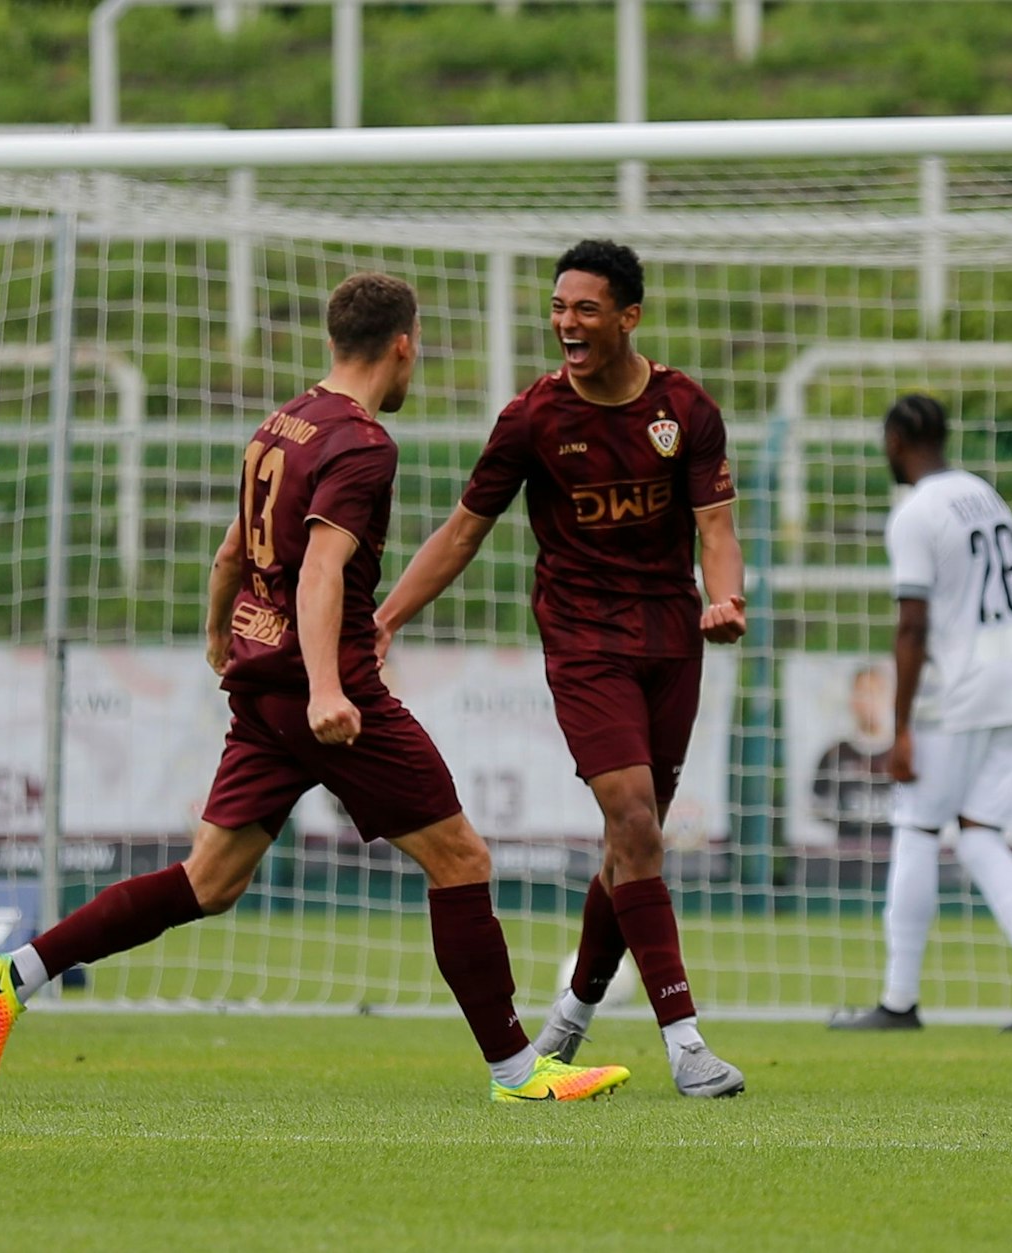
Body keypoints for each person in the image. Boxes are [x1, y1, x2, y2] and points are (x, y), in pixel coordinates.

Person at [0, 273, 630, 1104]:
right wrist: (326, 689)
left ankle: (13, 974)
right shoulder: (362, 443)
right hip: (326, 691)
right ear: (402, 345)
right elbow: (319, 570)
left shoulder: (280, 425)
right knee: (461, 858)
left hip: (259, 678)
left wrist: (218, 635)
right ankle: (518, 1070)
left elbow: (233, 550)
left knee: (209, 880)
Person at [375, 240, 747, 1098]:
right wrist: (385, 619)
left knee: (631, 842)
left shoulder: (684, 408)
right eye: (558, 308)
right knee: (634, 817)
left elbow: (717, 531)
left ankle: (570, 1020)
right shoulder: (533, 418)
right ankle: (687, 1043)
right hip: (584, 643)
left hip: (671, 643)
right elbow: (463, 532)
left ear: (628, 317)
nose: (566, 325)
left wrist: (725, 600)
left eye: (585, 309)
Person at [834, 394, 1012, 1033]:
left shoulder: (915, 513)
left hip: (960, 690)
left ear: (895, 440)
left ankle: (898, 1001)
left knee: (917, 827)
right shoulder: (984, 493)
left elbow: (912, 625)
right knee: (977, 835)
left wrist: (902, 726)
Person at [811, 663, 896, 845]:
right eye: (863, 692)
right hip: (848, 858)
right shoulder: (835, 754)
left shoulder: (904, 753)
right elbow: (817, 806)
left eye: (876, 692)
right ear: (852, 700)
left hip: (896, 855)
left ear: (890, 698)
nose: (870, 700)